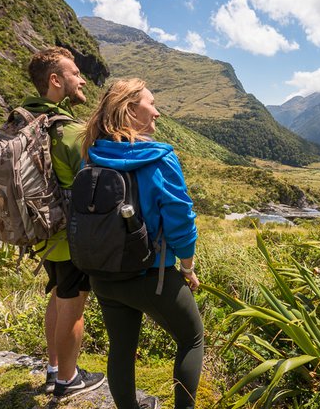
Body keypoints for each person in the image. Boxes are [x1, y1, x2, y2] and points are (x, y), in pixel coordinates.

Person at [80, 78, 203, 409]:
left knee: (121, 347)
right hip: (152, 275)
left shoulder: (90, 156)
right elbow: (180, 220)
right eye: (152, 104)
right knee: (191, 339)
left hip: (103, 276)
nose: (158, 112)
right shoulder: (159, 158)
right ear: (131, 110)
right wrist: (187, 267)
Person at [23, 47, 105, 399]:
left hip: (43, 231)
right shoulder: (69, 131)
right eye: (75, 73)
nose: (82, 78)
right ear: (56, 80)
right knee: (72, 302)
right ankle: (68, 382)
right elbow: (97, 183)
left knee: (58, 297)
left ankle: (55, 368)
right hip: (70, 236)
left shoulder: (30, 120)